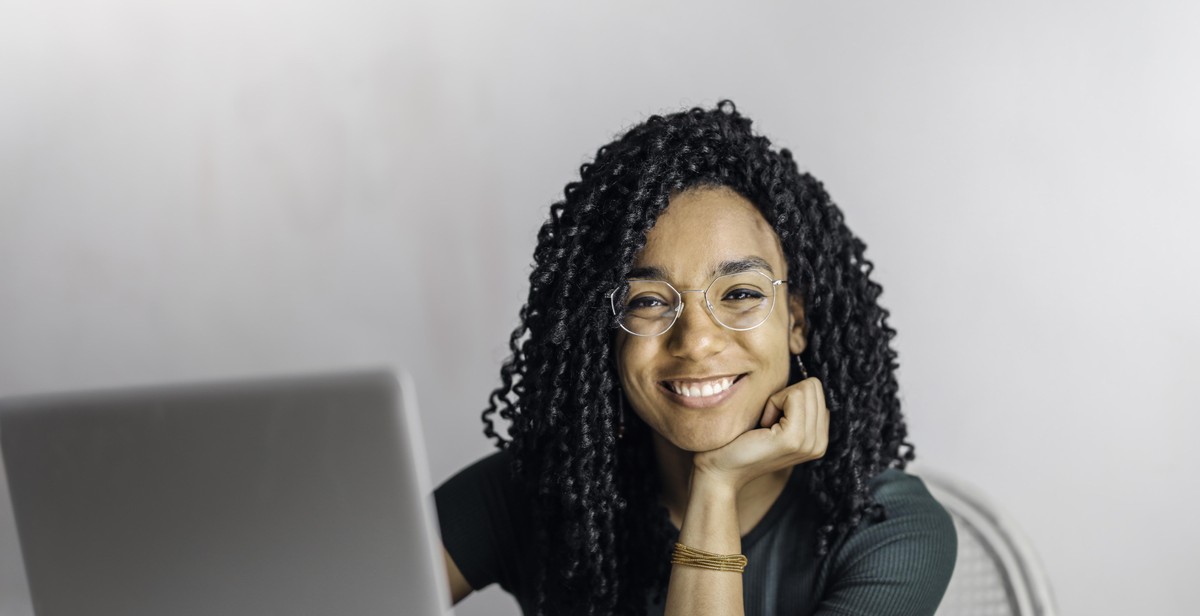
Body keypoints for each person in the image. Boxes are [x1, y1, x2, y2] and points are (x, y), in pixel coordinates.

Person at [435, 101, 956, 616]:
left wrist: (715, 485)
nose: (696, 341)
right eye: (648, 301)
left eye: (739, 294)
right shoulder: (539, 490)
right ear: (606, 334)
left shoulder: (889, 530)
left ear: (795, 322)